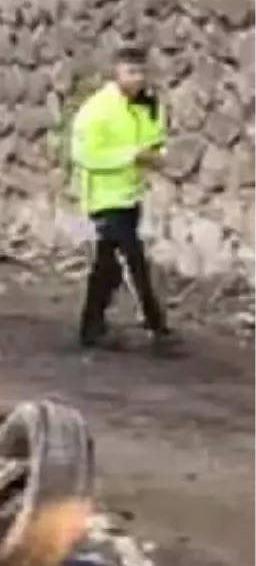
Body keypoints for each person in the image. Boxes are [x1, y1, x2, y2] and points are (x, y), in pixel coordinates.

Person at [70, 45, 180, 355]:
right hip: (103, 197)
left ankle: (91, 327)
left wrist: (156, 158)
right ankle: (157, 326)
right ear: (115, 73)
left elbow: (153, 141)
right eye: (131, 72)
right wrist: (132, 156)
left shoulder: (147, 105)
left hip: (130, 194)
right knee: (133, 259)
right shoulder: (97, 110)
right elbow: (84, 155)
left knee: (108, 266)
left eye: (142, 72)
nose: (138, 78)